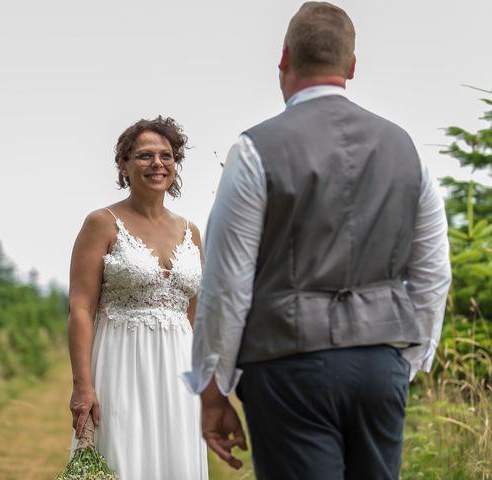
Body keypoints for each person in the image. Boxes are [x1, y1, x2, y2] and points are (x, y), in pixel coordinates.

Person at [184, 2, 452, 479]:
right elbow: (433, 272)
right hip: (380, 361)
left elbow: (226, 285)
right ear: (351, 66)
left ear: (284, 59)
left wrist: (213, 388)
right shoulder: (407, 151)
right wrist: (406, 362)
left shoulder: (255, 151)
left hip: (289, 366)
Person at [68, 116, 208, 479]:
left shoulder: (190, 231)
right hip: (120, 363)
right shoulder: (102, 222)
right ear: (123, 164)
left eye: (166, 155)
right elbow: (81, 308)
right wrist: (82, 385)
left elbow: (196, 314)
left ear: (175, 164)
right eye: (145, 155)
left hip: (180, 370)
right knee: (124, 460)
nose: (157, 164)